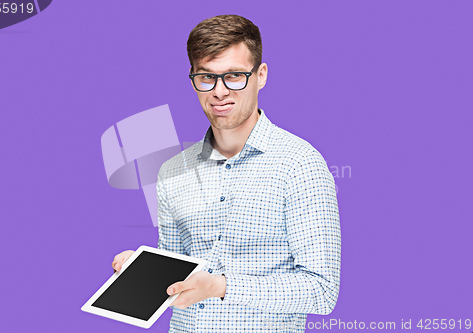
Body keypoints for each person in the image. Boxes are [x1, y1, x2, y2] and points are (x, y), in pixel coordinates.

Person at [112, 14, 341, 332]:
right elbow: (177, 279)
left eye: (234, 76)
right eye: (206, 77)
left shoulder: (300, 164)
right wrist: (141, 270)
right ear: (192, 78)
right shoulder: (173, 171)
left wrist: (222, 286)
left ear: (260, 75)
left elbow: (321, 292)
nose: (219, 92)